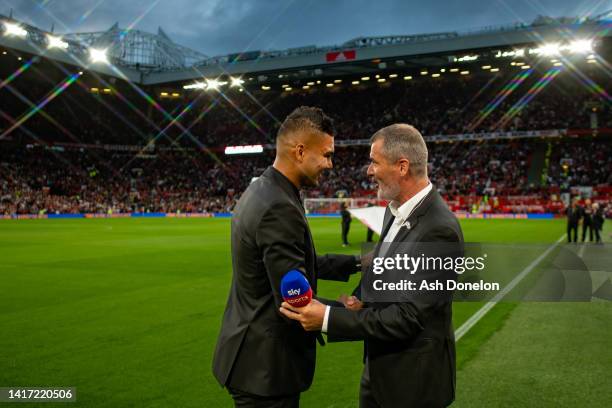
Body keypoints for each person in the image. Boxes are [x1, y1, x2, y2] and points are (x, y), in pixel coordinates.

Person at [280, 124, 464, 407]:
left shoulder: (439, 230)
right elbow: (377, 294)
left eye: (374, 162)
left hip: (413, 386)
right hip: (379, 373)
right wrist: (325, 307)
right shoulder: (394, 213)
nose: (368, 170)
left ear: (402, 167)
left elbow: (408, 317)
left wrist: (327, 318)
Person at [212, 106, 361, 407]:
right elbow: (295, 301)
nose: (330, 164)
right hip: (265, 369)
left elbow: (298, 264)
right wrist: (354, 311)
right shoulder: (278, 206)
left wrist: (359, 262)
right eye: (327, 154)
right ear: (300, 151)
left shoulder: (264, 190)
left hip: (252, 357)